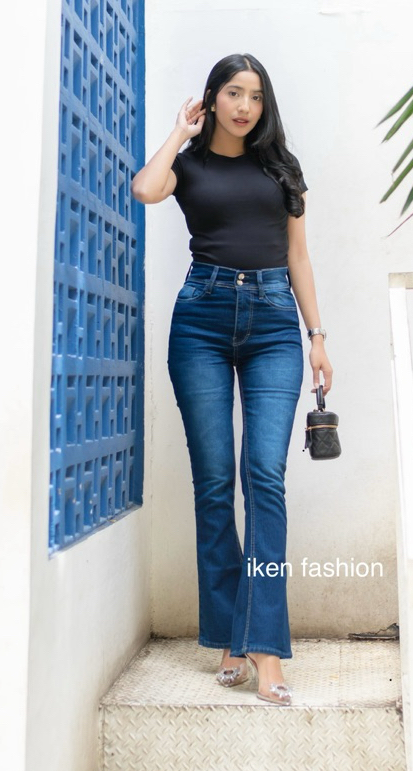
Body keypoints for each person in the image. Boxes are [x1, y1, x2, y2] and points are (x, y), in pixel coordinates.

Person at [131, 53, 332, 706]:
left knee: (264, 477)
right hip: (202, 321)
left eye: (256, 95)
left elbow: (298, 255)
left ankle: (266, 646)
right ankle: (227, 637)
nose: (246, 106)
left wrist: (317, 336)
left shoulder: (282, 168)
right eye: (234, 93)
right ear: (212, 98)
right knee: (215, 483)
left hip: (274, 323)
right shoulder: (188, 165)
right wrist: (178, 132)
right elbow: (146, 190)